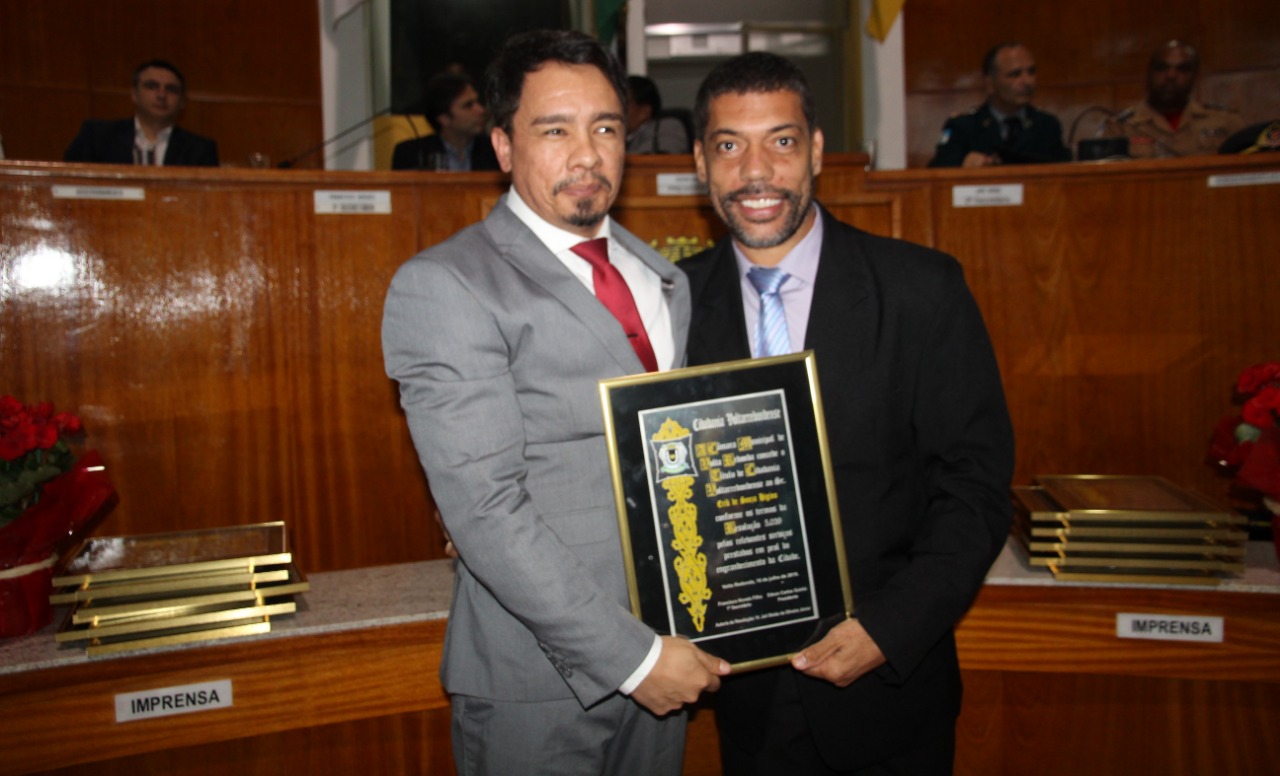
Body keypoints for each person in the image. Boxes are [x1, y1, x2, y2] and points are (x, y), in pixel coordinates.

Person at [381, 29, 729, 776]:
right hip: (537, 681)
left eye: (605, 128)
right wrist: (634, 659)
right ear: (503, 146)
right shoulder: (445, 284)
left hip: (669, 649)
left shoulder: (662, 277)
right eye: (554, 130)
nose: (587, 154)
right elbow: (485, 509)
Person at [683, 51, 1014, 773]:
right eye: (729, 146)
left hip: (890, 695)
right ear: (701, 164)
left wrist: (888, 629)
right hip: (744, 700)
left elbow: (976, 488)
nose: (756, 171)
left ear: (816, 151)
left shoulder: (922, 290)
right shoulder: (670, 304)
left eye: (781, 141)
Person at [928, 43, 1071, 167]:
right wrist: (963, 165)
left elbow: (1065, 171)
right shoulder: (963, 127)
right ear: (990, 83)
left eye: (1031, 72)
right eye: (1015, 74)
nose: (1027, 81)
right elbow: (937, 172)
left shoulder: (1047, 126)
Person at [1104, 40, 1245, 158]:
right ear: (1149, 74)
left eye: (1182, 69)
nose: (1171, 75)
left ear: (1195, 76)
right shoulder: (1121, 127)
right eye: (1162, 68)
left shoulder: (1226, 122)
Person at [64, 60, 218, 167]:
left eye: (171, 89)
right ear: (134, 94)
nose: (161, 95)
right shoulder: (97, 136)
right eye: (152, 86)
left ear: (182, 102)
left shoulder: (200, 149)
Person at [391, 73, 499, 171]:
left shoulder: (495, 150)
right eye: (468, 105)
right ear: (444, 118)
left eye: (477, 102)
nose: (481, 110)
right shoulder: (412, 153)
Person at [625, 75, 691, 154]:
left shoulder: (667, 127)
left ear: (644, 111)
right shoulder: (622, 137)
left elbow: (657, 158)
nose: (618, 110)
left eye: (625, 104)